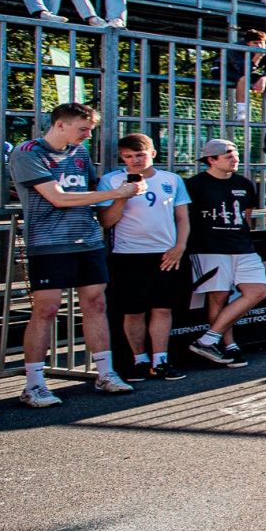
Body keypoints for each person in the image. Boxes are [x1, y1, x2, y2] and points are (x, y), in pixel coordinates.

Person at [8, 104, 139, 405]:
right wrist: (116, 193)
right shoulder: (28, 152)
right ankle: (34, 384)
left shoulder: (79, 153)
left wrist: (118, 197)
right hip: (49, 242)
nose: (88, 135)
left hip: (88, 240)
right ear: (60, 125)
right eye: (83, 129)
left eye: (90, 129)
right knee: (47, 308)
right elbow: (58, 198)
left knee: (96, 303)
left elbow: (89, 193)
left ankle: (105, 373)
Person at [96, 133, 191, 381]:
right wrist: (123, 195)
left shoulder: (171, 179)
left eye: (140, 155)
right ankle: (139, 360)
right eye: (128, 156)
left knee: (162, 309)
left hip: (166, 254)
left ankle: (161, 361)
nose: (135, 160)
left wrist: (179, 246)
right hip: (129, 254)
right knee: (133, 311)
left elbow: (182, 217)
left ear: (152, 154)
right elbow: (106, 222)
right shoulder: (111, 180)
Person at [184, 138, 266, 367]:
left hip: (243, 247)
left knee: (258, 291)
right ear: (211, 160)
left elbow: (245, 217)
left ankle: (208, 340)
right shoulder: (194, 185)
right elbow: (184, 218)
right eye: (228, 156)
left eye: (236, 154)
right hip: (209, 248)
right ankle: (229, 346)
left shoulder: (244, 183)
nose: (235, 159)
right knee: (219, 297)